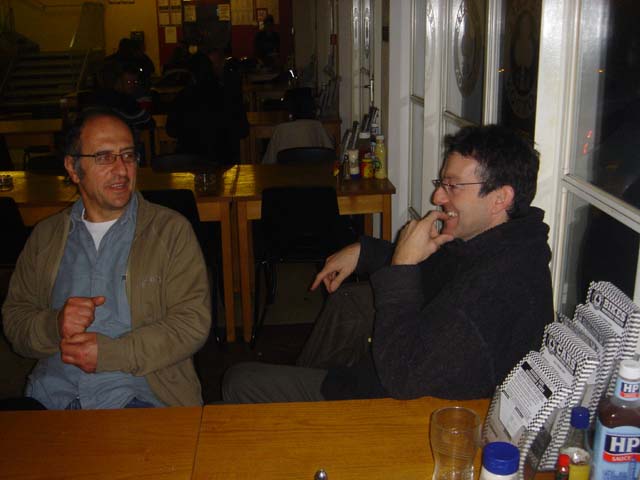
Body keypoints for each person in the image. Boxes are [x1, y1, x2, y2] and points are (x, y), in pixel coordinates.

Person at [223, 124, 554, 403]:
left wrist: (401, 270)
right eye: (441, 184)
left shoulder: (497, 289)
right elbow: (431, 269)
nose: (438, 197)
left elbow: (404, 377)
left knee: (239, 381)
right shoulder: (497, 244)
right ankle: (303, 403)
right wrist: (365, 252)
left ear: (500, 198)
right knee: (350, 301)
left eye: (452, 186)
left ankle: (308, 413)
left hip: (393, 405)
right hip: (383, 374)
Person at [1, 107, 211, 410]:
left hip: (137, 395)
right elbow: (15, 322)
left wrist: (111, 354)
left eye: (128, 155)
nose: (122, 169)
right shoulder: (46, 237)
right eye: (104, 157)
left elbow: (192, 323)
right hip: (52, 397)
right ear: (73, 168)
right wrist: (54, 324)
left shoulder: (170, 231)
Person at [166, 44, 249, 164]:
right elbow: (243, 130)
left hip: (189, 162)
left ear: (191, 75)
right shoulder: (228, 95)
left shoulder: (182, 97)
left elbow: (171, 130)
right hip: (224, 163)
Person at [261, 87, 334, 164]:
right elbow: (330, 154)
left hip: (285, 170)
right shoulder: (318, 126)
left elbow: (268, 161)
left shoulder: (280, 130)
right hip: (312, 169)